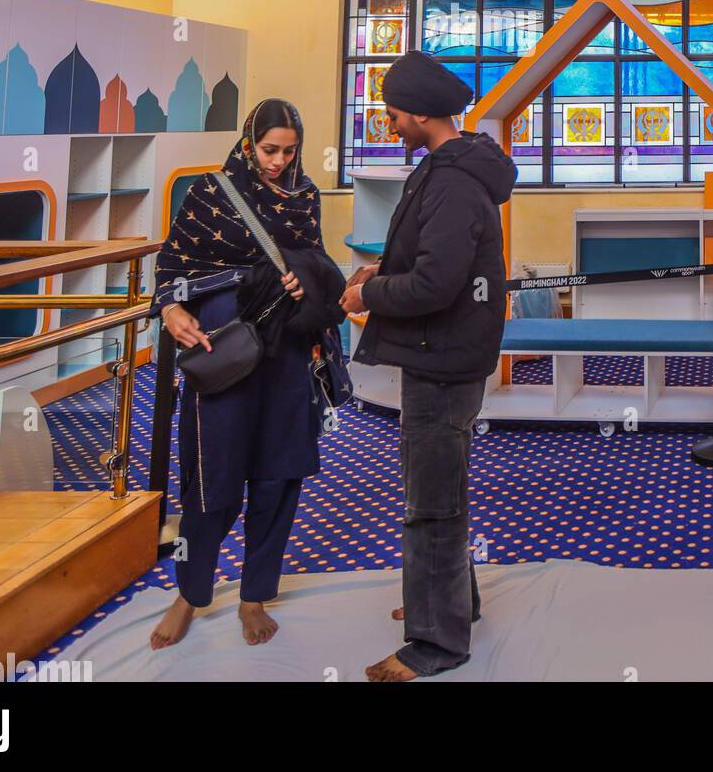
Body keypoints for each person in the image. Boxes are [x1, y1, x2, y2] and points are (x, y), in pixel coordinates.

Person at [341, 50, 517, 681]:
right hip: (441, 352)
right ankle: (451, 604)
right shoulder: (448, 168)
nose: (388, 125)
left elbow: (437, 284)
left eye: (392, 114)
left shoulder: (450, 181)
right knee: (440, 487)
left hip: (442, 356)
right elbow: (424, 258)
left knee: (431, 502)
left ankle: (436, 644)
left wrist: (368, 294)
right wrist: (382, 273)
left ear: (418, 113)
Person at [149, 98, 345, 650]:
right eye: (268, 150)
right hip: (220, 348)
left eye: (289, 151)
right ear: (246, 142)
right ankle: (190, 592)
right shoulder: (210, 192)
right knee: (213, 470)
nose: (279, 161)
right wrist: (170, 309)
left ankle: (255, 594)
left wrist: (306, 280)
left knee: (279, 472)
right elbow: (172, 263)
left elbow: (319, 264)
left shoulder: (303, 196)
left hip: (285, 352)